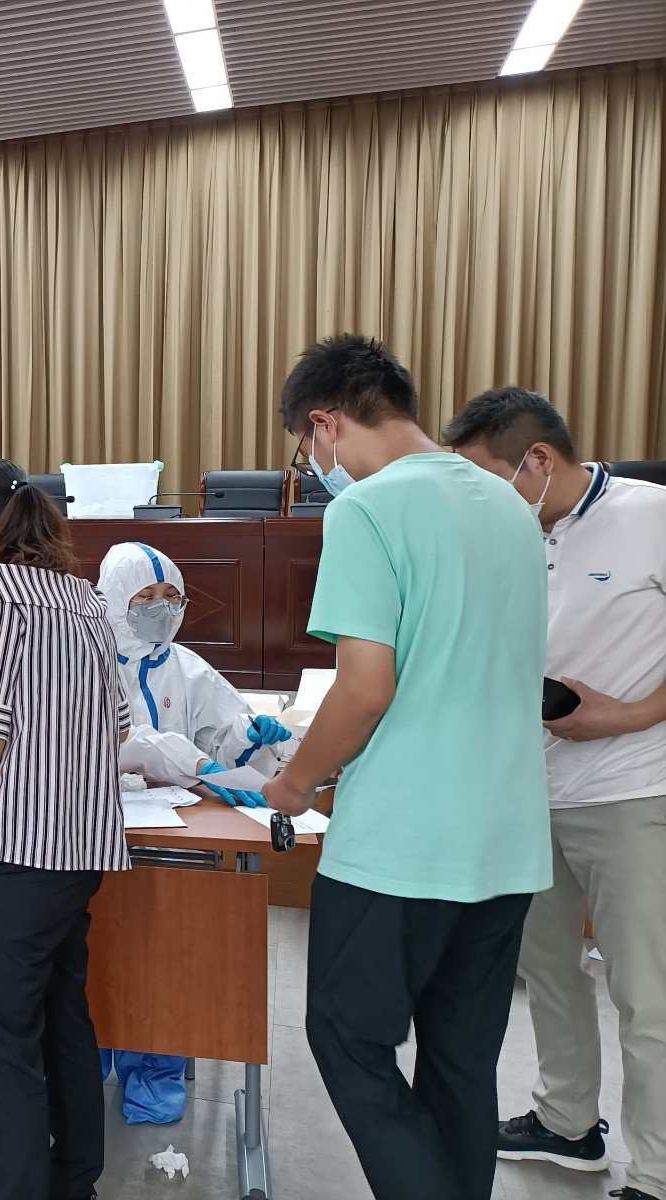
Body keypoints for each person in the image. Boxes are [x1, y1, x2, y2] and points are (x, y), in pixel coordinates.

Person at [258, 336, 551, 1200]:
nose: (316, 466)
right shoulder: (511, 507)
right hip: (505, 844)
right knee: (460, 1063)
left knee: (347, 1039)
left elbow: (364, 690)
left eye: (307, 447)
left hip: (400, 848)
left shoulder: (367, 510)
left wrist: (294, 783)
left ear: (325, 422)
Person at [445, 387, 666, 1200]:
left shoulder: (652, 515)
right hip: (527, 791)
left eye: (487, 479)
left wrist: (627, 714)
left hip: (631, 791)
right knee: (548, 970)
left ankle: (657, 1171)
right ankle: (567, 1121)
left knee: (647, 993)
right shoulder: (511, 536)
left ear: (536, 460)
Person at [0, 459, 129, 1200]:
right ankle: (75, 1181)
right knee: (64, 1021)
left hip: (15, 856)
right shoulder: (84, 598)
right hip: (79, 852)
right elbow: (116, 726)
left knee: (4, 1043)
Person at [97, 541, 291, 807]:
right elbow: (114, 740)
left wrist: (250, 735)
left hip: (184, 812)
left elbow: (219, 747)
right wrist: (193, 764)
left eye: (171, 596)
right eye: (147, 597)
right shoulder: (89, 661)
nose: (162, 606)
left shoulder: (187, 666)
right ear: (114, 599)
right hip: (102, 809)